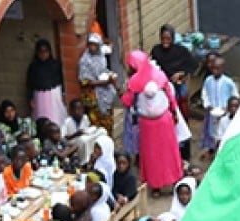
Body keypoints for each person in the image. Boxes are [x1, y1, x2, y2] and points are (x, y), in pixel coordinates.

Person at [122, 50, 184, 192]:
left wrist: (122, 90)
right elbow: (170, 96)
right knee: (161, 153)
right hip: (156, 122)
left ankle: (170, 181)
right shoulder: (159, 75)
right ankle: (160, 184)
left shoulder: (135, 82)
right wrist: (174, 112)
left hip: (155, 122)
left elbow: (127, 101)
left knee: (156, 155)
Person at [78, 33, 118, 133]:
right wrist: (104, 82)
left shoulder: (101, 55)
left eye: (95, 45)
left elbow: (110, 46)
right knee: (97, 124)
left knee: (108, 120)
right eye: (90, 44)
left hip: (105, 93)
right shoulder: (85, 61)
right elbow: (85, 81)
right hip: (93, 96)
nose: (92, 47)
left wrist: (108, 76)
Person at [200, 57, 239, 156]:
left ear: (222, 69)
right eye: (213, 68)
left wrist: (228, 107)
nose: (215, 71)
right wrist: (208, 105)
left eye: (218, 69)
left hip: (224, 111)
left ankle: (224, 149)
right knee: (212, 131)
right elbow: (204, 93)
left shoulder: (228, 82)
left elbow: (235, 95)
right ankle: (212, 148)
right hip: (213, 111)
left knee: (223, 130)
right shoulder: (208, 80)